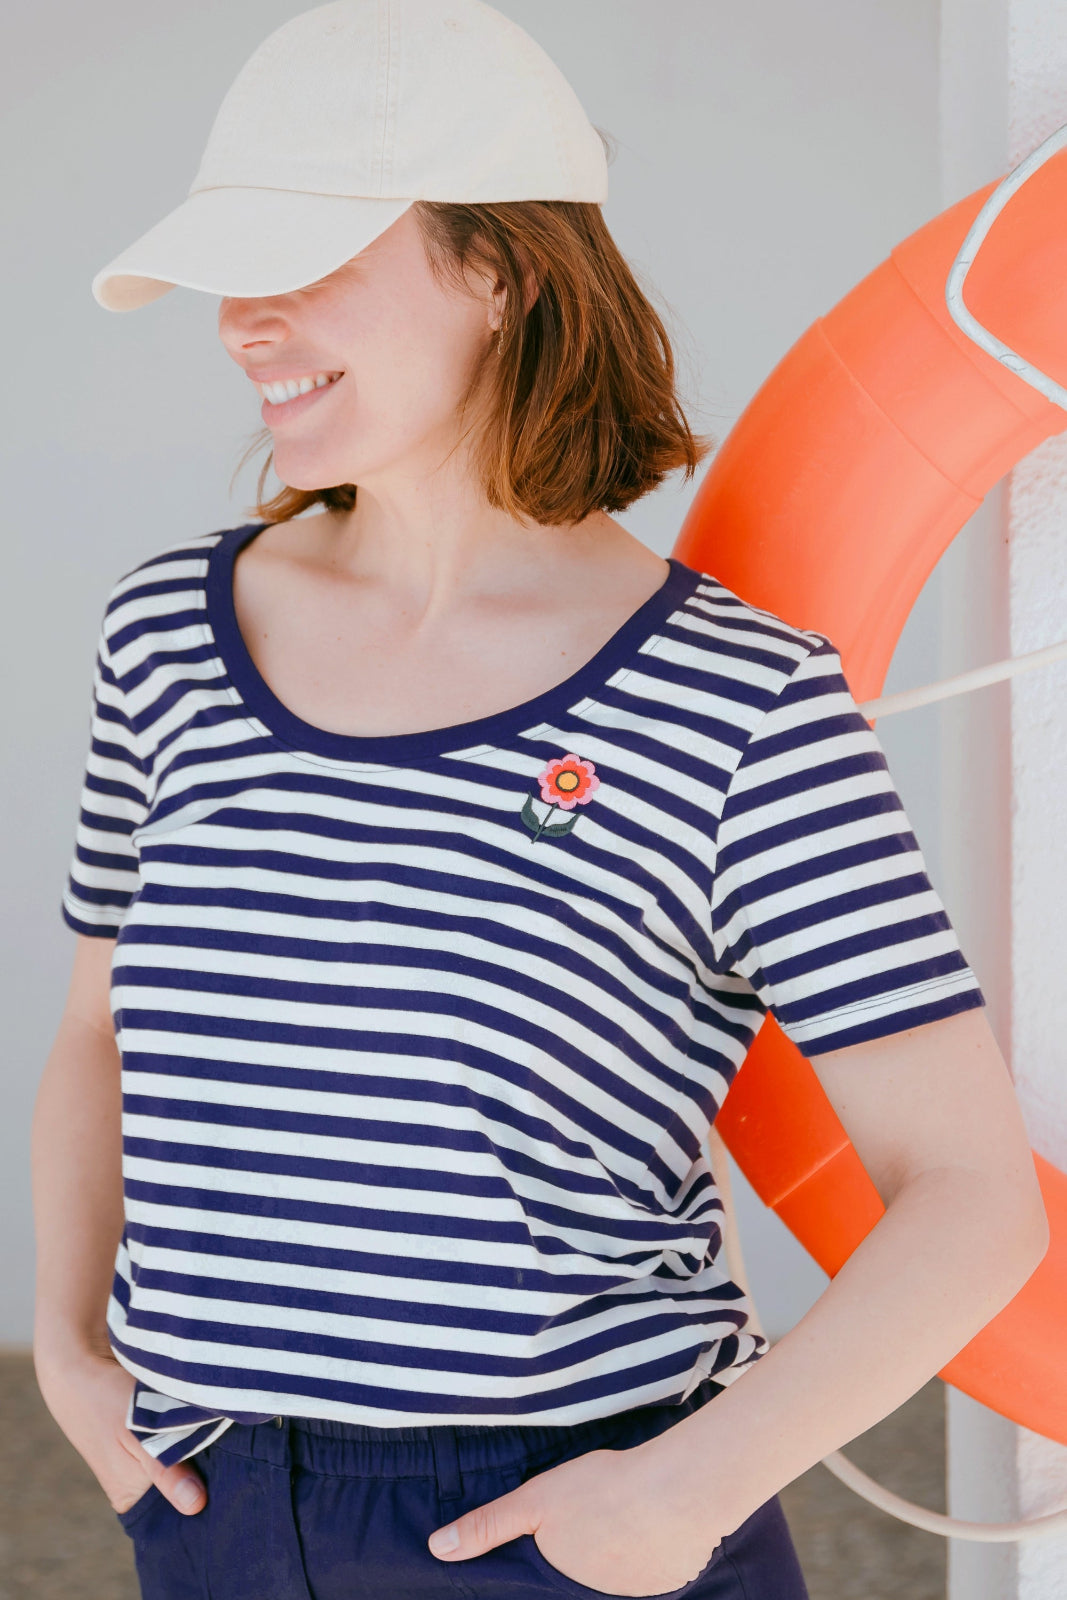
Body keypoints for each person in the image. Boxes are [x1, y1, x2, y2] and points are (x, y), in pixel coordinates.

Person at [32, 4, 1049, 1599]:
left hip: (567, 1523)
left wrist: (684, 1492)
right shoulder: (164, 633)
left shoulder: (734, 700)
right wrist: (69, 1349)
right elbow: (95, 1028)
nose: (243, 319)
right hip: (206, 1504)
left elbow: (973, 1202)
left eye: (302, 258)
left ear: (498, 268)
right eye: (231, 271)